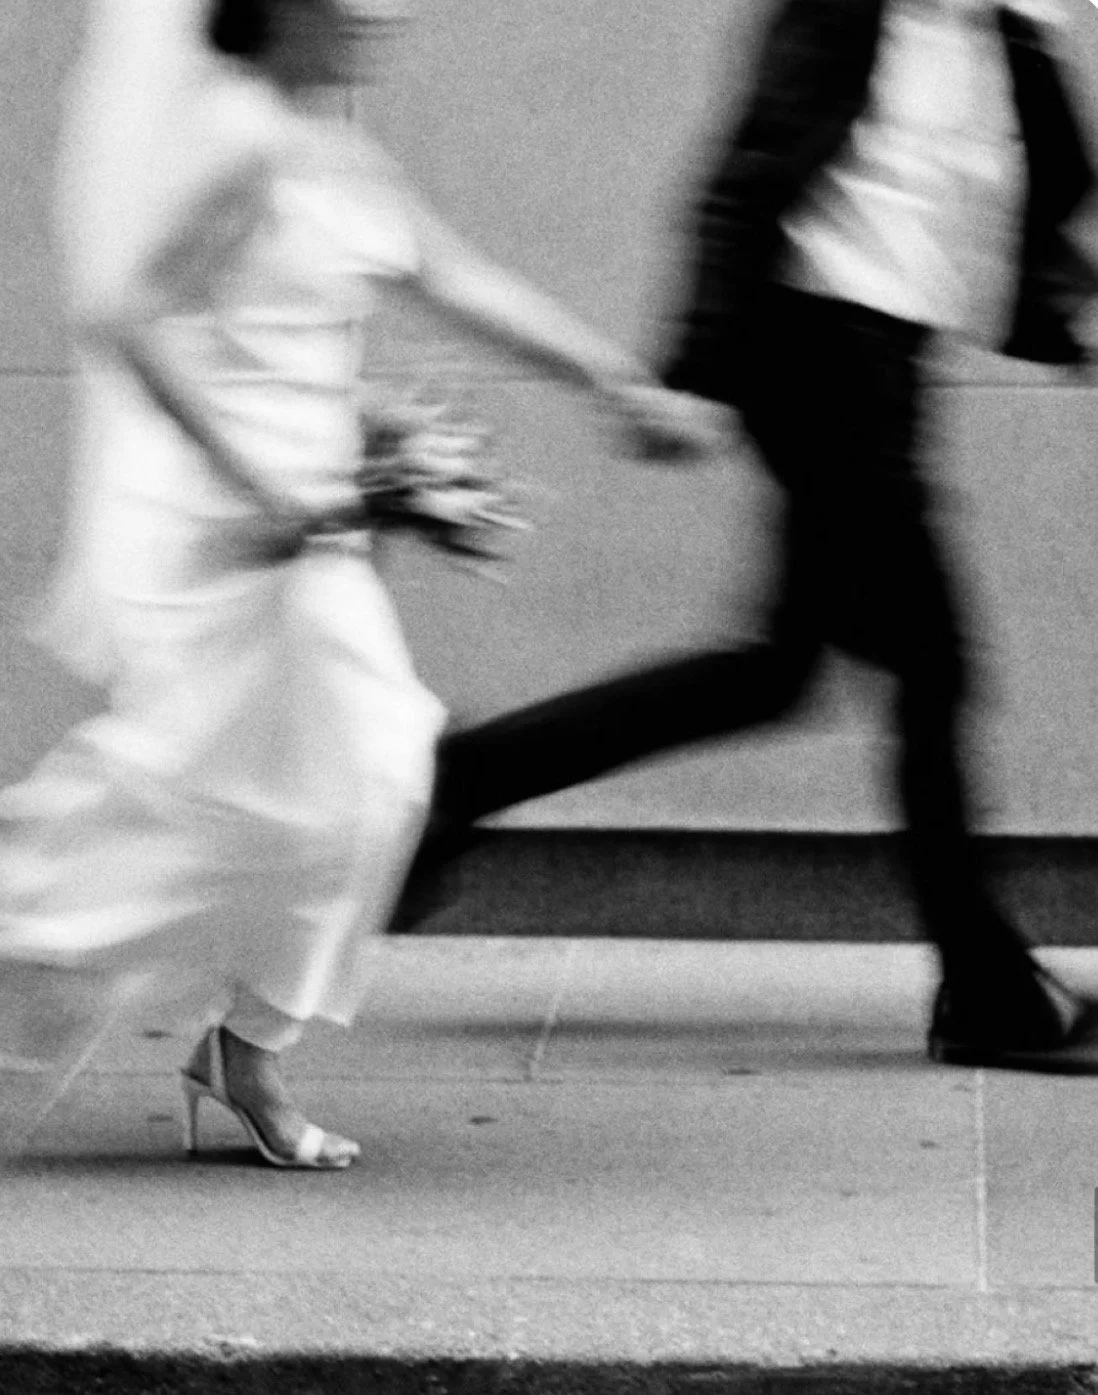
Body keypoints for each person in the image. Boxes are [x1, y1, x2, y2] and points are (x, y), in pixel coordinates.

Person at [0, 0, 720, 1167]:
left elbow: (455, 276)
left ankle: (232, 1043)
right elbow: (127, 318)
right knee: (278, 781)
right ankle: (91, 963)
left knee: (326, 786)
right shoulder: (237, 139)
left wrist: (618, 385)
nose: (384, 14)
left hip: (313, 531)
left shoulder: (326, 143)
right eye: (353, 0)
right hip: (247, 533)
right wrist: (260, 480)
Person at [406, 0, 1098, 1072]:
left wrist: (1058, 310)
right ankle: (988, 987)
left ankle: (465, 777)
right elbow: (747, 174)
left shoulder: (1002, 32)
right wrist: (693, 371)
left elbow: (1038, 180)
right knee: (935, 667)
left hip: (890, 359)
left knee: (779, 670)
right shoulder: (846, 12)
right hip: (813, 351)